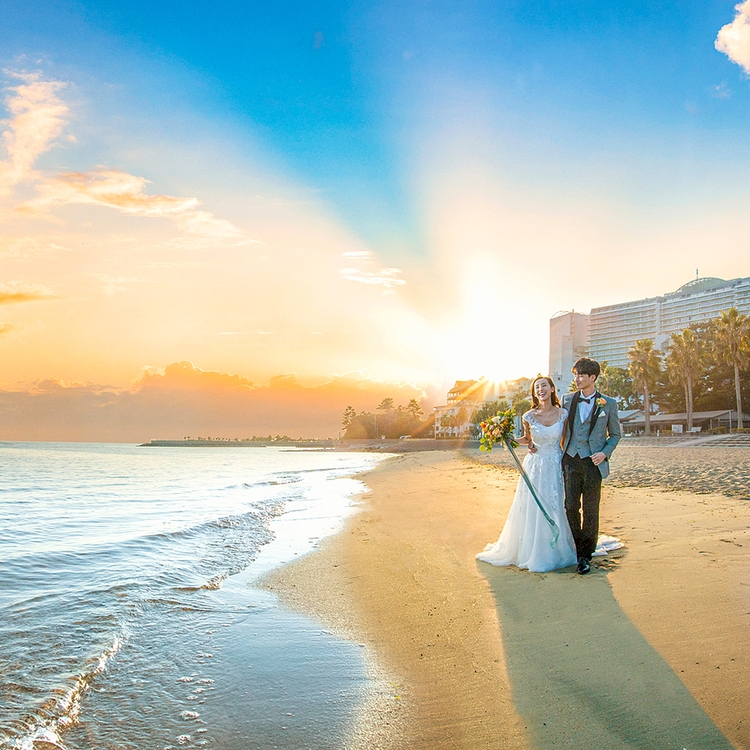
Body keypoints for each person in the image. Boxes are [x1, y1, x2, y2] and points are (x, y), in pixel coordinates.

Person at [477, 376, 577, 573]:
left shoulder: (563, 414)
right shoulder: (528, 416)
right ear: (534, 392)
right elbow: (527, 439)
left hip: (555, 463)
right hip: (535, 465)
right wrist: (508, 438)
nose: (541, 390)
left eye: (544, 386)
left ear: (552, 389)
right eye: (537, 387)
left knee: (556, 503)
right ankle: (532, 550)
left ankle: (560, 548)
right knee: (533, 507)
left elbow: (565, 441)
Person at [561, 357, 622, 575]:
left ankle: (586, 555)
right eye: (576, 374)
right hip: (570, 460)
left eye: (581, 375)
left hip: (593, 463)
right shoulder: (567, 400)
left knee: (591, 509)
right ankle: (577, 548)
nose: (577, 379)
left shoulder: (609, 404)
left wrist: (604, 453)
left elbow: (616, 434)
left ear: (592, 377)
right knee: (570, 507)